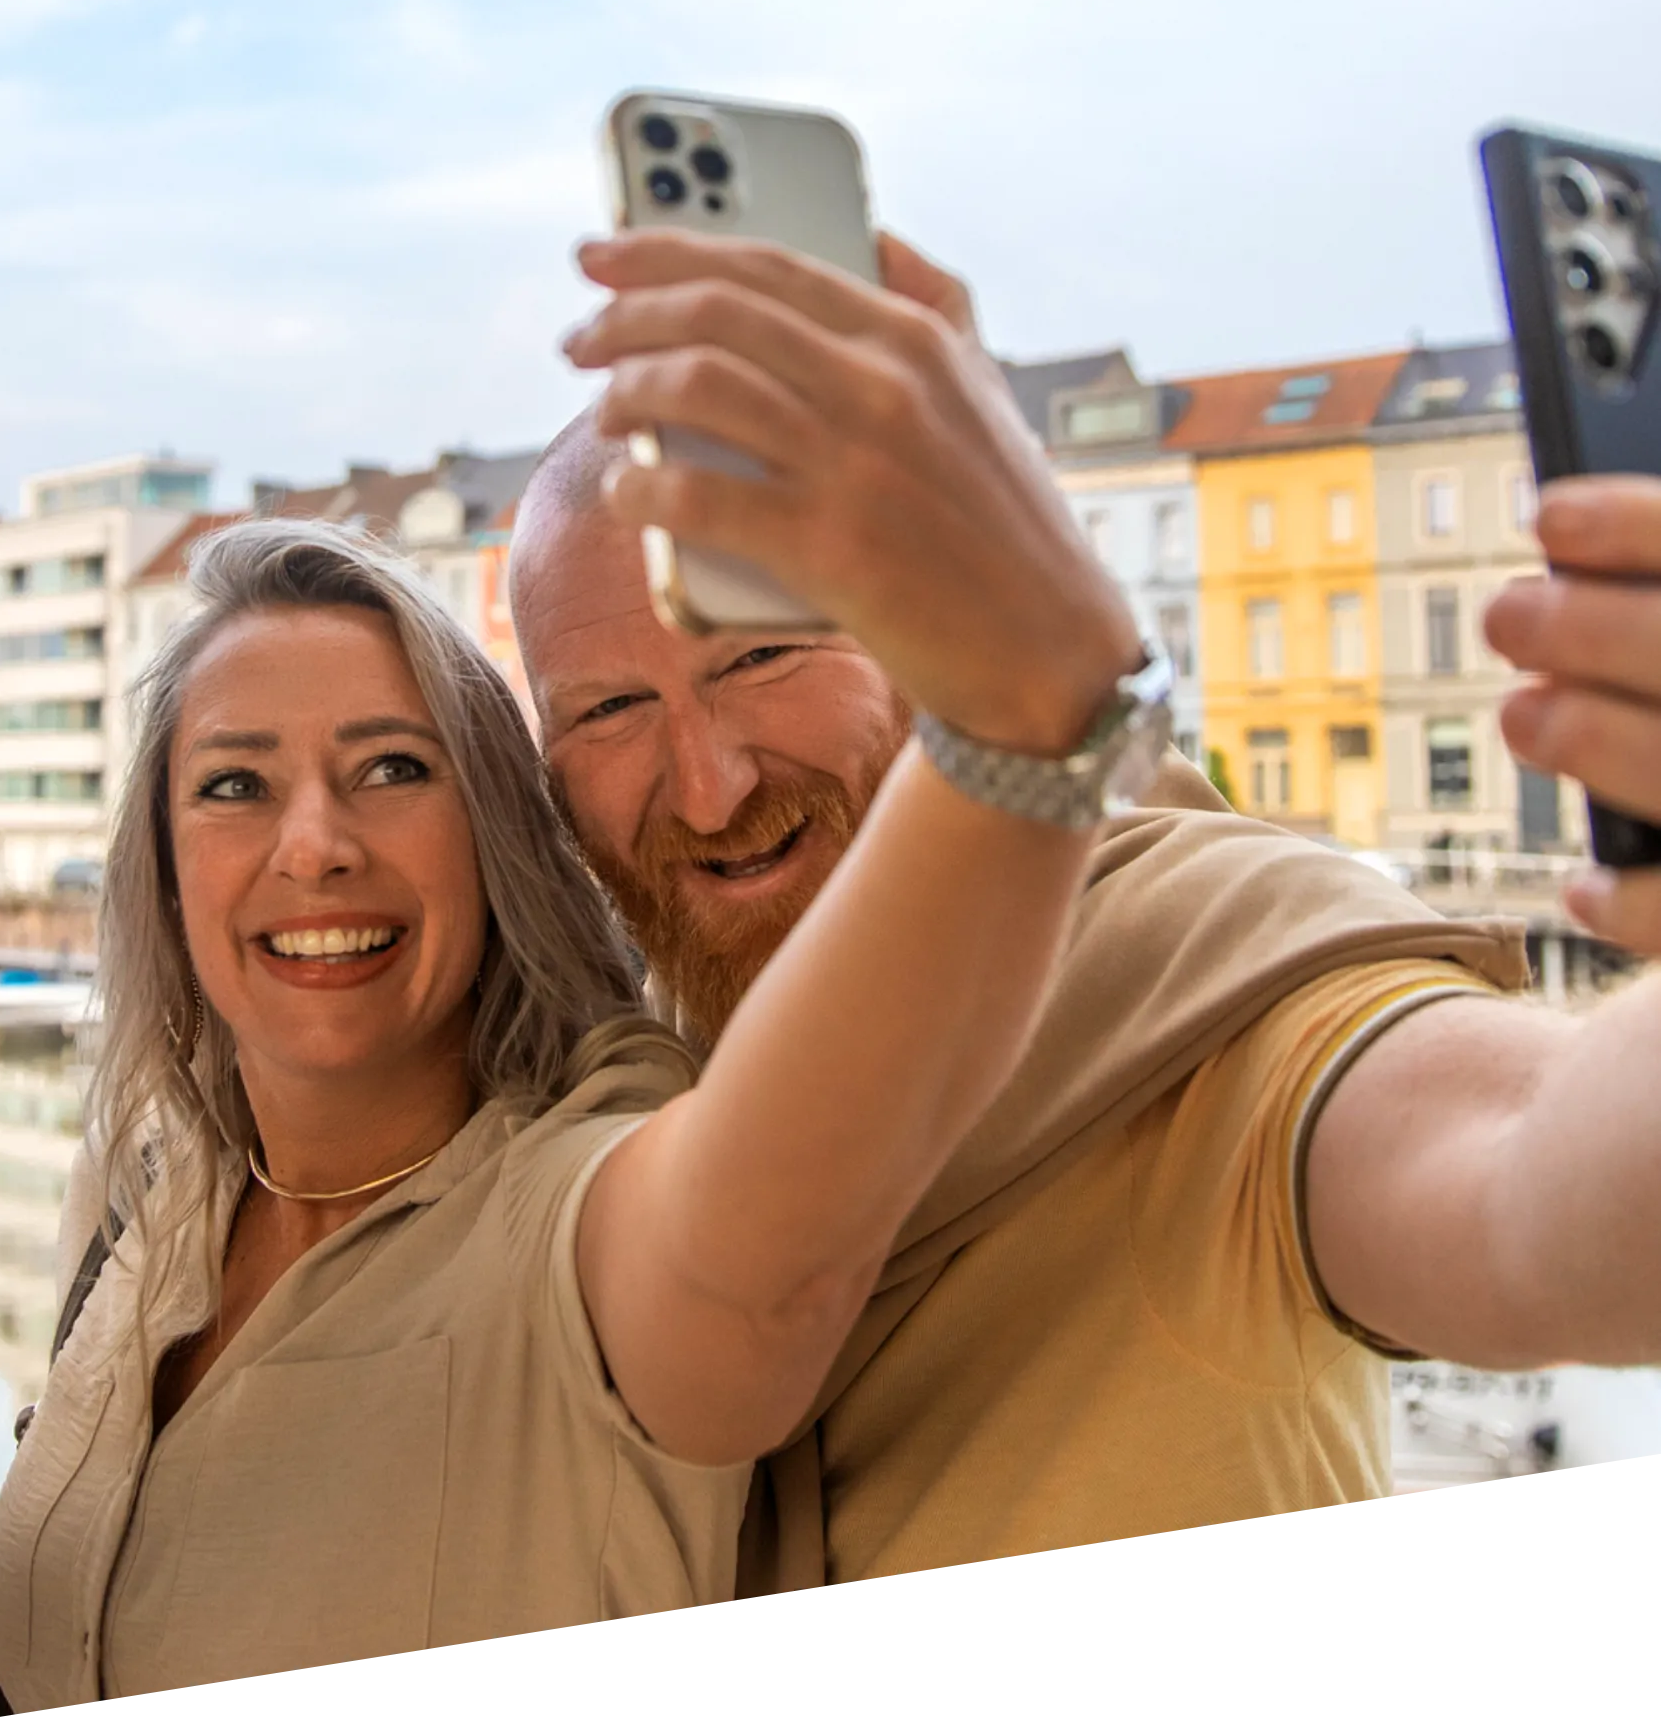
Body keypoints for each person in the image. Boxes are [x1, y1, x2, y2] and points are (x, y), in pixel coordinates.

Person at [0, 285, 1146, 1711]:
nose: (314, 843)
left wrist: (1021, 717)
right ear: (163, 872)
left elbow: (751, 1267)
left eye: (392, 767)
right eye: (234, 785)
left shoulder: (578, 1193)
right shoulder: (144, 1191)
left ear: (496, 835)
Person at [511, 223, 1661, 1593]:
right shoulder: (598, 1084)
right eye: (609, 710)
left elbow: (1529, 1193)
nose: (710, 787)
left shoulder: (1194, 948)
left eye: (761, 657)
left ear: (921, 638)